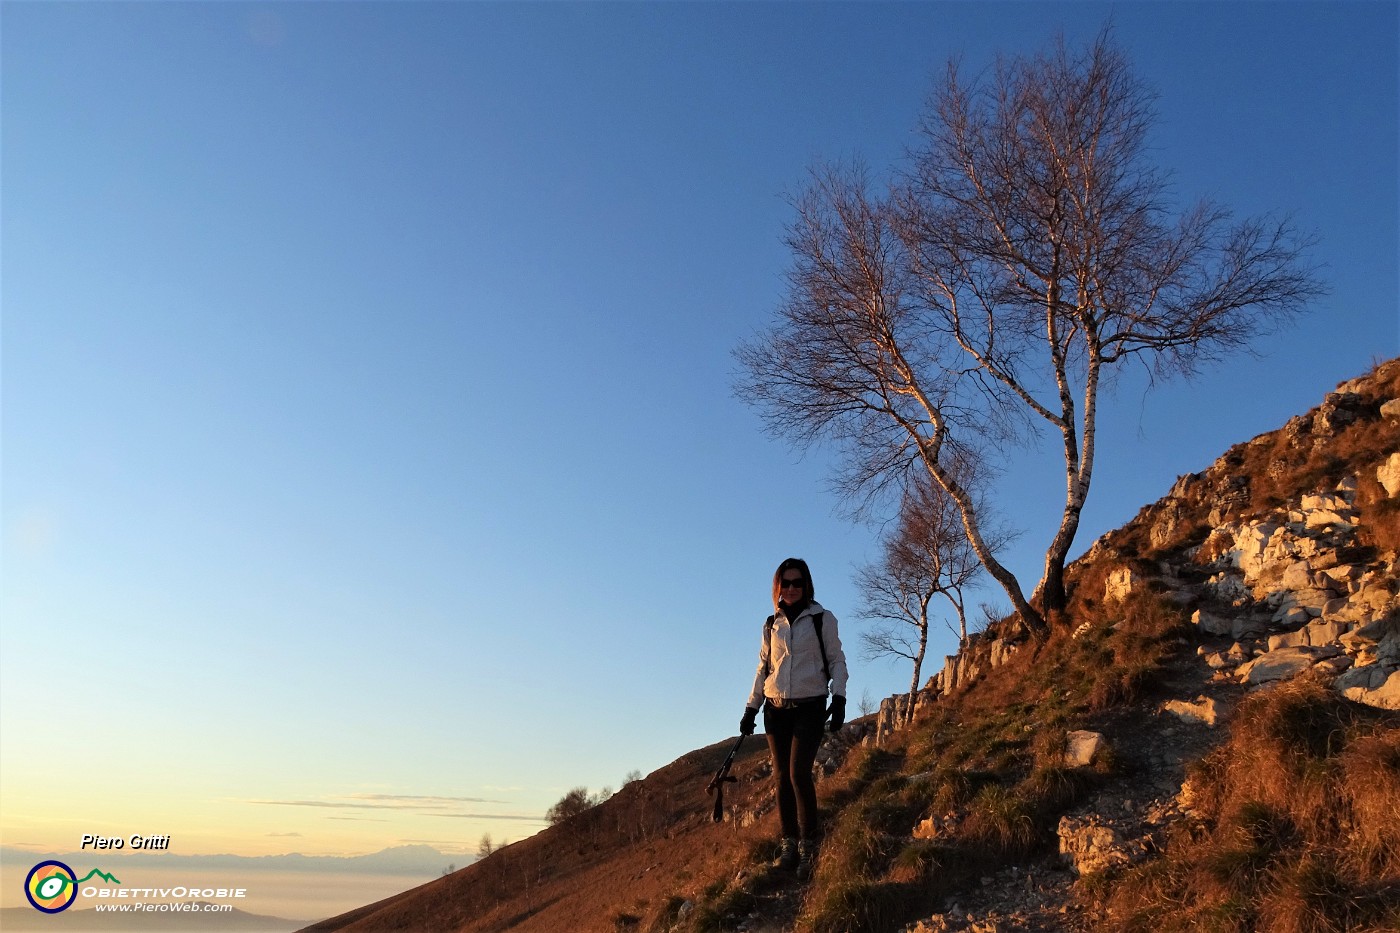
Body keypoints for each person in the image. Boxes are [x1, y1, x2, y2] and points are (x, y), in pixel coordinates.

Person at [739, 557, 848, 878]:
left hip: (810, 707)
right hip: (775, 710)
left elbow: (837, 660)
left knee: (799, 774)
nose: (790, 588)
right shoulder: (771, 624)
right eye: (784, 583)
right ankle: (789, 845)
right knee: (781, 779)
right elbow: (763, 668)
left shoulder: (822, 619)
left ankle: (809, 846)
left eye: (796, 582)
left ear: (806, 585)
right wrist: (750, 709)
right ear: (777, 587)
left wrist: (839, 697)